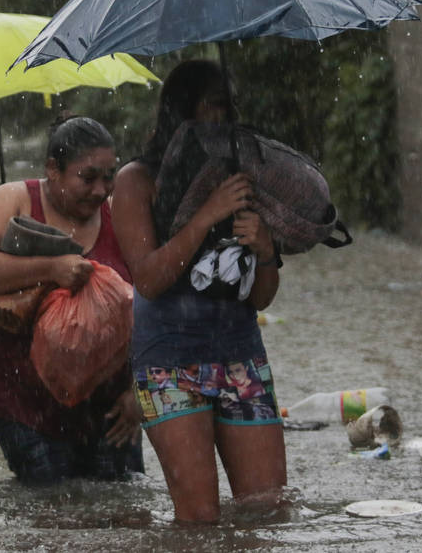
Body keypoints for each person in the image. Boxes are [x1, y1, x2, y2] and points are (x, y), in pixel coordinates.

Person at [111, 59, 286, 522]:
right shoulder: (137, 181)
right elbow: (147, 278)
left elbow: (261, 297)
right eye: (216, 105)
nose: (230, 115)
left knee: (267, 513)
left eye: (234, 105)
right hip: (169, 364)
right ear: (183, 112)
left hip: (240, 357)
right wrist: (207, 214)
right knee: (200, 524)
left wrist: (266, 250)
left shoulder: (244, 181)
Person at [0, 114, 143, 486]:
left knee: (123, 520)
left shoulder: (120, 212)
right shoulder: (16, 199)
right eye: (87, 177)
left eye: (109, 176)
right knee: (50, 522)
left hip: (111, 406)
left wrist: (139, 392)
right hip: (26, 404)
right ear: (52, 169)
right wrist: (51, 267)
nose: (100, 190)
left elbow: (151, 302)